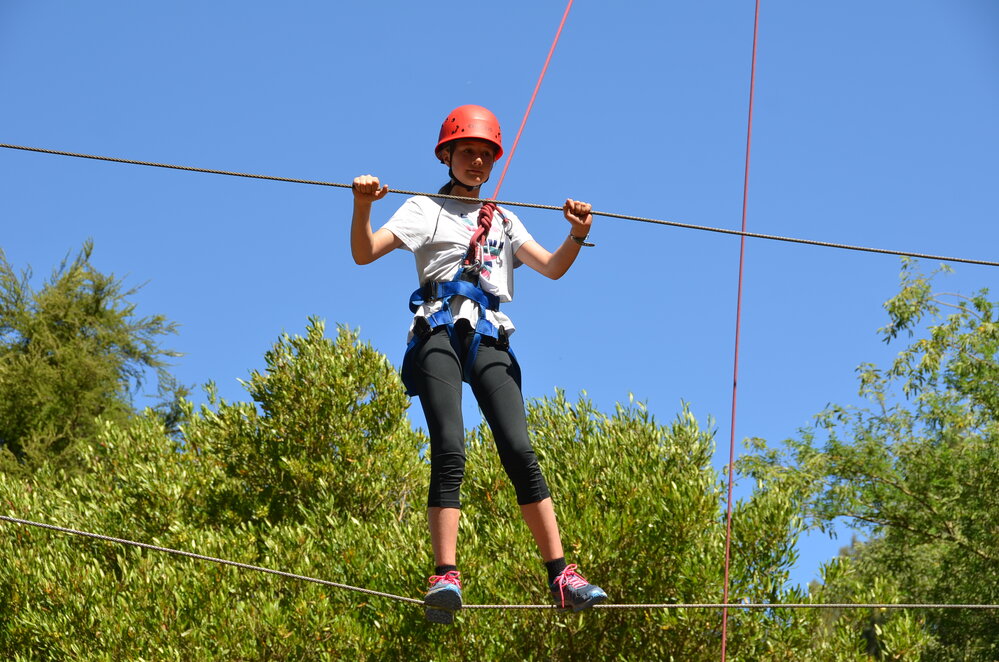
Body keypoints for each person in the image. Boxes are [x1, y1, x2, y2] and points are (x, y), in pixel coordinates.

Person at [350, 104, 606, 624]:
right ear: (447, 155)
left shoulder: (505, 220)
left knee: (518, 448)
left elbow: (553, 268)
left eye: (486, 155)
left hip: (488, 333)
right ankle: (445, 574)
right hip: (438, 330)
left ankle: (560, 575)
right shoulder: (424, 209)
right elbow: (365, 251)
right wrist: (361, 206)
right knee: (450, 446)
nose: (477, 162)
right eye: (467, 152)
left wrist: (576, 234)